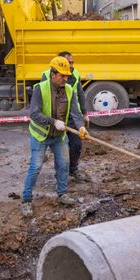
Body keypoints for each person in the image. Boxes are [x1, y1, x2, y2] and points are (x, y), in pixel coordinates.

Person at [22, 56, 89, 217]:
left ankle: (62, 194)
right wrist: (53, 121)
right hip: (40, 135)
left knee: (64, 164)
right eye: (62, 75)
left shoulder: (69, 90)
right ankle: (26, 200)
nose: (66, 78)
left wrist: (80, 126)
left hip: (59, 136)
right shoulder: (40, 88)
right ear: (53, 74)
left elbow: (75, 112)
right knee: (36, 166)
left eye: (67, 75)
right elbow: (34, 113)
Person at [41, 51, 89, 183]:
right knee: (60, 148)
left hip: (72, 116)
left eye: (73, 62)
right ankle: (59, 175)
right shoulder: (47, 76)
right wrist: (53, 121)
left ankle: (73, 169)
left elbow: (80, 94)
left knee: (76, 145)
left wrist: (84, 114)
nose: (72, 65)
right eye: (70, 62)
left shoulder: (75, 74)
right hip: (57, 117)